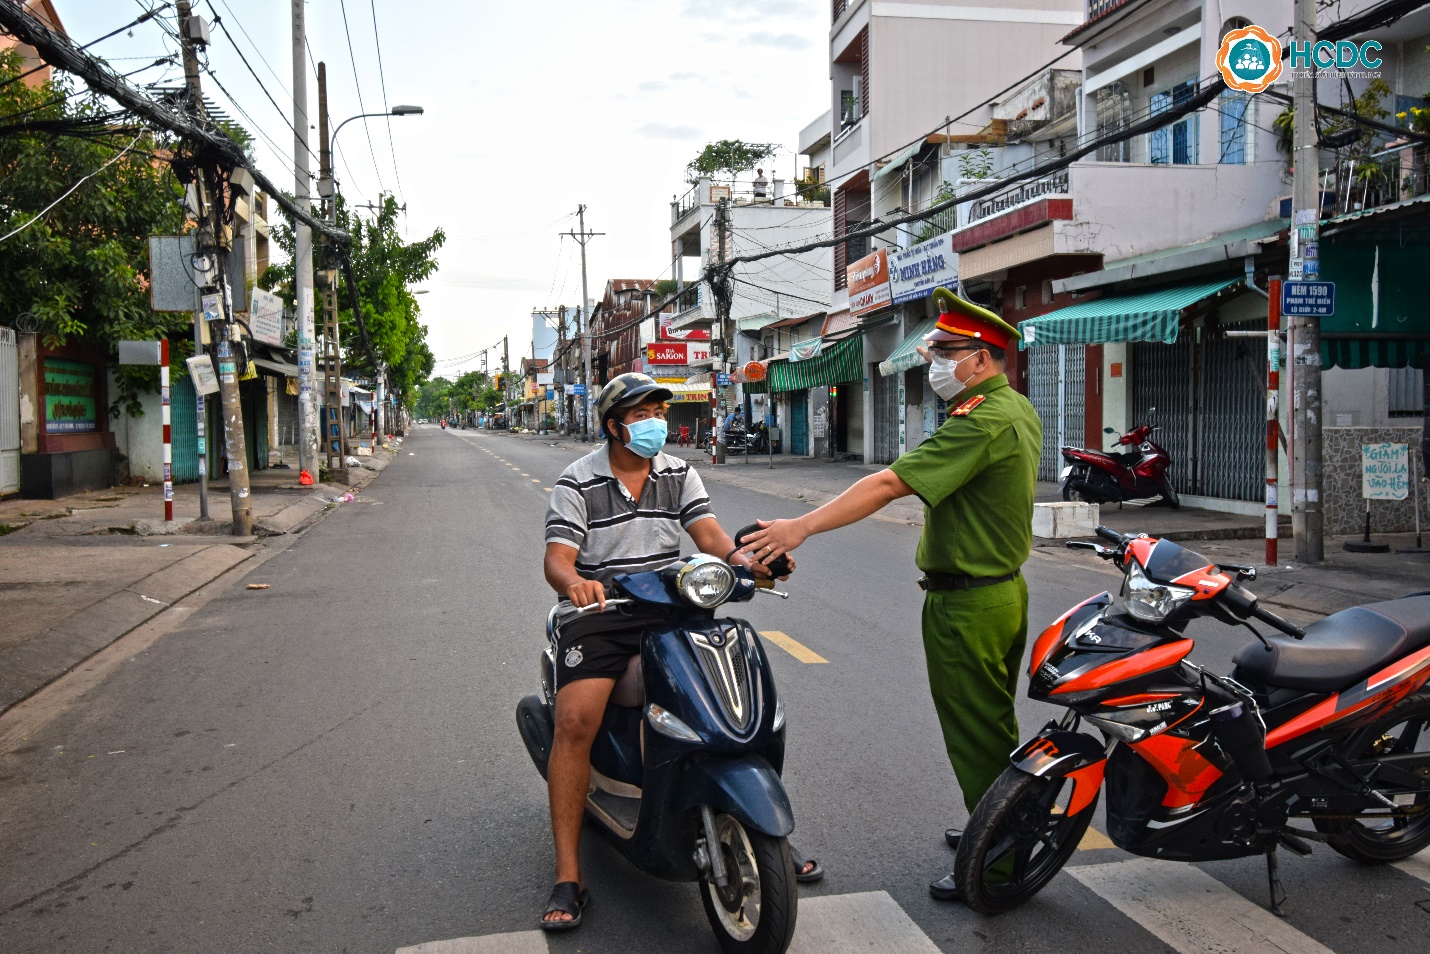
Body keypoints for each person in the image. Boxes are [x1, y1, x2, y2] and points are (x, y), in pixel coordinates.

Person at [739, 287, 1040, 903]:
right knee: (993, 722)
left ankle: (1000, 864)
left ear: (981, 358)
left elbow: (887, 484)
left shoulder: (983, 420)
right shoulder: (1012, 407)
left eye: (945, 352)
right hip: (1001, 592)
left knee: (976, 731)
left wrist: (800, 527)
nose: (935, 362)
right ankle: (995, 821)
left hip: (969, 603)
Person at [540, 372, 822, 930]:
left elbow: (711, 538)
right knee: (574, 723)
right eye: (641, 415)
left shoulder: (678, 473)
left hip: (670, 606)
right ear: (614, 426)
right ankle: (569, 876)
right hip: (601, 615)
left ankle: (758, 824)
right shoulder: (578, 481)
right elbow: (557, 558)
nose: (654, 424)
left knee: (722, 699)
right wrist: (575, 584)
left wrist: (750, 563)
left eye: (657, 414)